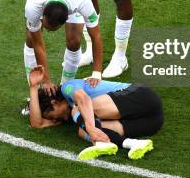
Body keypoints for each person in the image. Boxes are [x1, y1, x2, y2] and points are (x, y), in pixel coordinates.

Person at [28, 65, 163, 160]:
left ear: (54, 103)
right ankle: (132, 143)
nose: (54, 120)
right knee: (82, 131)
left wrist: (91, 128)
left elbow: (84, 99)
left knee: (80, 112)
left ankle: (100, 142)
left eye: (51, 116)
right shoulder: (72, 116)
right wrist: (33, 87)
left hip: (142, 96)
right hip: (152, 121)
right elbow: (37, 124)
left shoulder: (67, 88)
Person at [24, 0, 104, 99]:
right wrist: (46, 80)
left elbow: (96, 36)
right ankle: (35, 95)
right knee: (31, 40)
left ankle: (65, 91)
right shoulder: (34, 6)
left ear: (65, 21)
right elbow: (38, 44)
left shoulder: (81, 1)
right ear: (42, 13)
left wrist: (97, 73)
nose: (44, 26)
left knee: (74, 42)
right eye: (43, 21)